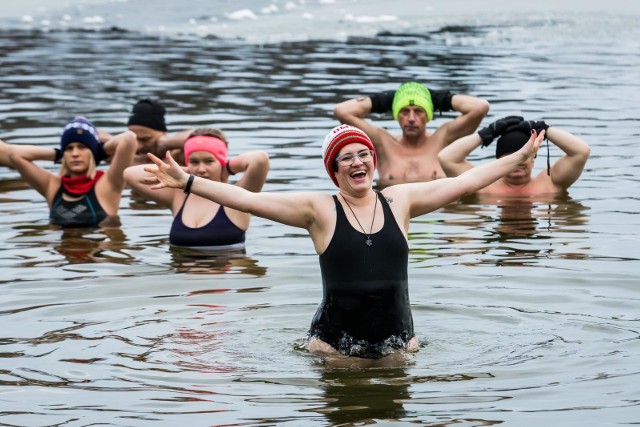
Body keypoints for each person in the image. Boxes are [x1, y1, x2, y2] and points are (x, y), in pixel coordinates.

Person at [142, 124, 545, 361]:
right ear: (334, 171)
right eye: (346, 158)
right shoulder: (318, 210)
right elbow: (250, 200)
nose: (357, 162)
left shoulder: (400, 200)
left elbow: (464, 182)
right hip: (335, 354)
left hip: (398, 349)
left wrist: (520, 157)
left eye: (363, 154)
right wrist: (190, 182)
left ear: (373, 161)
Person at [124, 128, 270, 250]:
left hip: (225, 280)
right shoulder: (178, 196)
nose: (201, 169)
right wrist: (181, 173)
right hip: (183, 280)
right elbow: (130, 174)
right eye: (194, 162)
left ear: (221, 161)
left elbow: (260, 159)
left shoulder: (238, 197)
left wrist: (226, 168)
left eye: (209, 161)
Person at [333, 81, 489, 186]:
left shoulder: (444, 140)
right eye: (404, 111)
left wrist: (436, 98)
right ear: (396, 115)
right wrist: (388, 99)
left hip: (437, 222)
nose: (412, 119)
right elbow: (342, 111)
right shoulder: (382, 144)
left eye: (419, 111)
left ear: (428, 114)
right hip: (395, 220)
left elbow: (480, 107)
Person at [1, 117, 136, 227]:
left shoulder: (108, 184)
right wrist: (58, 155)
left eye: (82, 147)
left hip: (97, 258)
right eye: (69, 148)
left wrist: (98, 152)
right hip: (63, 256)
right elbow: (16, 155)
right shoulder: (51, 185)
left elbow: (129, 138)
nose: (75, 153)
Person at [437, 116, 591, 196]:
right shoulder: (482, 186)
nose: (517, 161)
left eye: (523, 155)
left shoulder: (551, 183)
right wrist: (487, 133)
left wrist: (544, 129)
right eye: (510, 156)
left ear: (533, 158)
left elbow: (581, 152)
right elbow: (446, 158)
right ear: (498, 161)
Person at [100, 99, 194, 165]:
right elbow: (91, 132)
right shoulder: (125, 158)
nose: (139, 145)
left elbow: (203, 135)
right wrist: (124, 141)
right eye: (134, 138)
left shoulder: (176, 157)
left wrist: (165, 142)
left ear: (163, 133)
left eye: (145, 139)